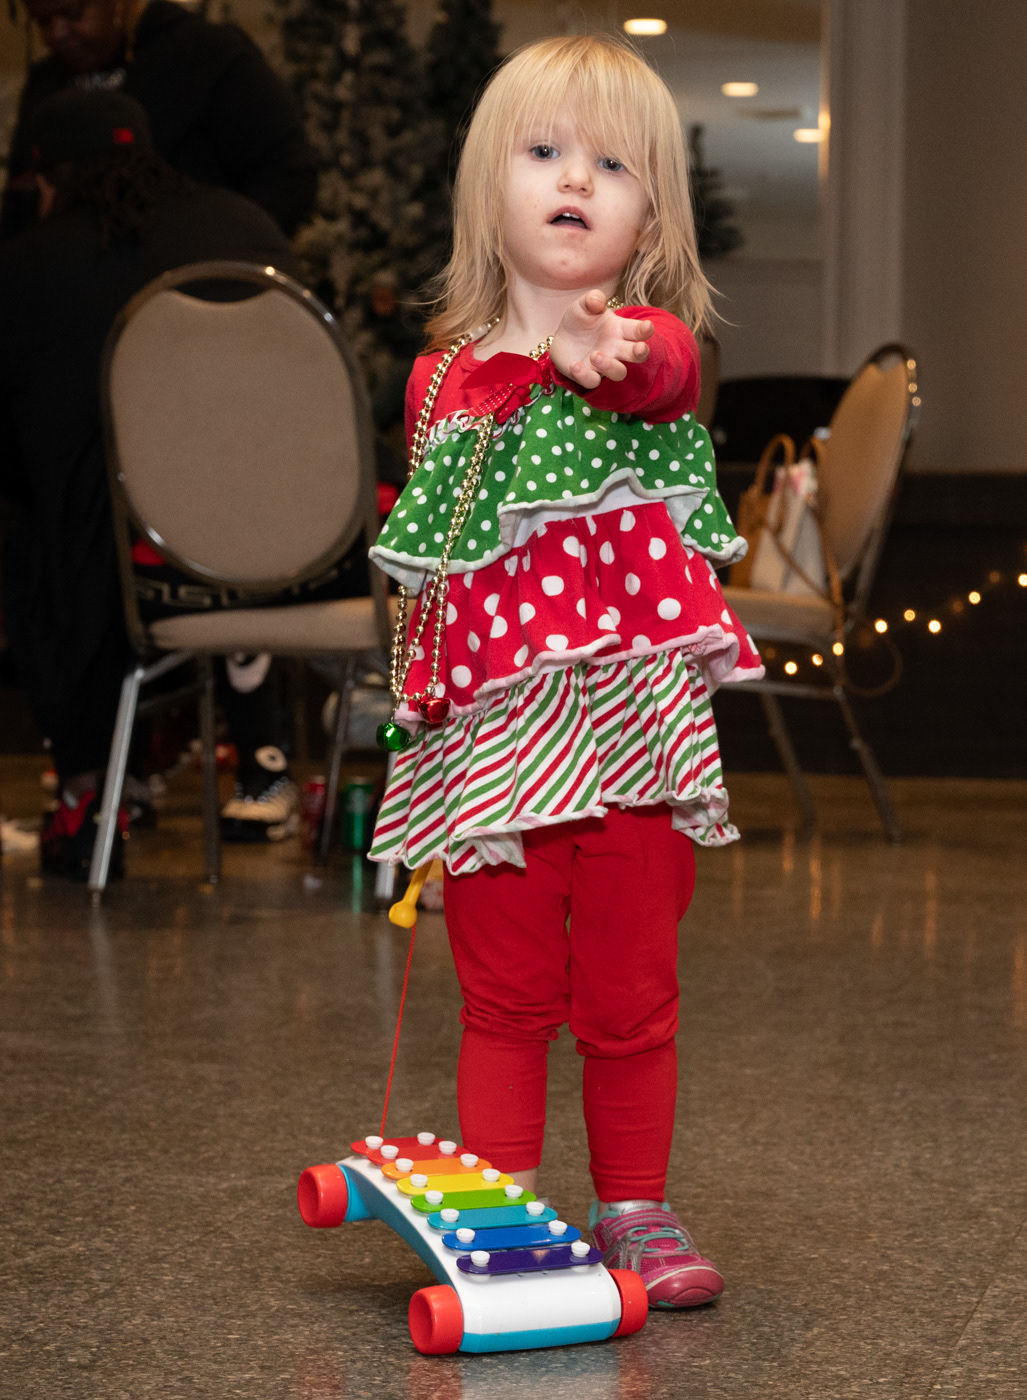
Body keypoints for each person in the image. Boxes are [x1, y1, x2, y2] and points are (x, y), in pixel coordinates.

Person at [366, 35, 764, 1308]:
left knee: (633, 986)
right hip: (496, 743)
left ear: (650, 219)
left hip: (633, 738)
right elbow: (430, 558)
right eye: (543, 152)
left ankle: (634, 1209)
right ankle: (505, 1218)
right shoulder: (442, 379)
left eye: (612, 165)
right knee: (502, 991)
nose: (575, 179)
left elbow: (659, 370)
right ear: (491, 184)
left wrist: (607, 352)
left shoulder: (644, 348)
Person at [0, 88, 309, 877]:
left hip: (130, 567)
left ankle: (92, 780)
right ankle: (263, 764)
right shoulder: (246, 227)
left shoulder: (31, 263)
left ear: (51, 178)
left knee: (51, 514)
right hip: (293, 545)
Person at [1, 0, 317, 240]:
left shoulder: (204, 55)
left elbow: (288, 176)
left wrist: (216, 254)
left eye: (72, 13)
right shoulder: (46, 85)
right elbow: (19, 204)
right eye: (42, 21)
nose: (58, 34)